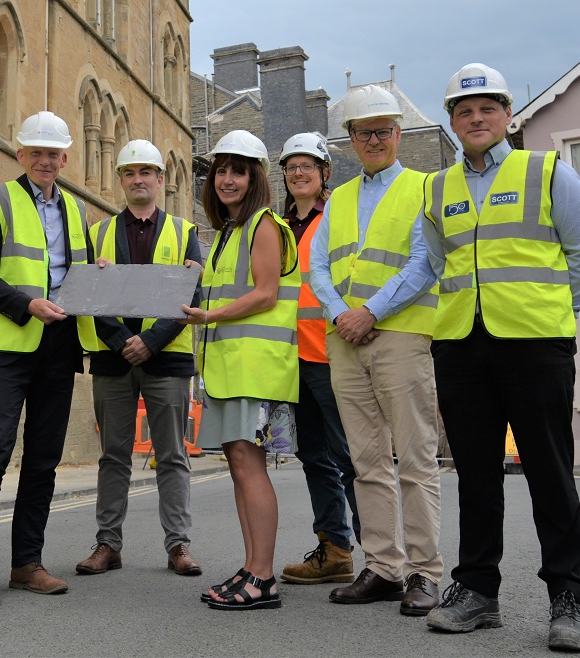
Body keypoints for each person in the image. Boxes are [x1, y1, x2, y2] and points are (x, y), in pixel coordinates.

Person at [419, 64, 580, 652]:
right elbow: (435, 264)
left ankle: (568, 598)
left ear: (507, 116)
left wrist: (548, 324)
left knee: (550, 472)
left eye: (486, 109)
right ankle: (476, 592)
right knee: (475, 474)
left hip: (534, 346)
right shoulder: (436, 188)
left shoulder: (548, 173)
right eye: (464, 111)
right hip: (460, 347)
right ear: (451, 121)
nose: (476, 119)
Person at [314, 85, 444, 616]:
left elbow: (425, 262)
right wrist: (342, 314)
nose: (374, 139)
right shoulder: (339, 199)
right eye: (363, 132)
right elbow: (317, 267)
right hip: (346, 340)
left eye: (384, 130)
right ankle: (385, 567)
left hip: (402, 335)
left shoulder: (424, 187)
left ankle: (425, 573)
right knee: (366, 463)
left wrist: (370, 312)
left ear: (398, 134)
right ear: (349, 140)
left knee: (415, 459)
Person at [0, 111, 93, 606]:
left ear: (64, 158)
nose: (45, 160)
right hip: (11, 345)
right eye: (36, 152)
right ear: (20, 155)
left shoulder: (76, 210)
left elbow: (81, 276)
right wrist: (26, 305)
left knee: (43, 462)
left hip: (59, 348)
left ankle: (26, 564)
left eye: (53, 153)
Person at [181, 130, 300, 611]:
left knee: (250, 470)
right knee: (239, 468)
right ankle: (253, 568)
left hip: (255, 371)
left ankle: (264, 576)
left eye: (238, 170)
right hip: (232, 370)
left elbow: (266, 292)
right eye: (220, 171)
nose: (226, 179)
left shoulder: (263, 225)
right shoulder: (229, 232)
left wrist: (211, 316)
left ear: (256, 178)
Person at [74, 139, 204, 578]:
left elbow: (193, 295)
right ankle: (107, 544)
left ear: (160, 180)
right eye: (129, 173)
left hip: (166, 360)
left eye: (146, 172)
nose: (138, 180)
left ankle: (178, 546)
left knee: (172, 455)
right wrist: (121, 341)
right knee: (114, 455)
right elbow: (90, 294)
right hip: (113, 360)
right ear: (121, 181)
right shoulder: (98, 234)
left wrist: (150, 341)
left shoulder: (185, 232)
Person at [274, 132, 364, 588]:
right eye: (291, 168)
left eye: (307, 166)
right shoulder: (277, 225)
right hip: (291, 359)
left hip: (332, 353)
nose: (298, 174)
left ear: (325, 172)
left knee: (350, 455)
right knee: (313, 455)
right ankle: (335, 548)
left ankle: (385, 556)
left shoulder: (340, 217)